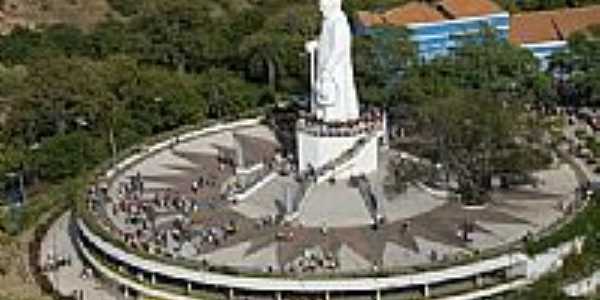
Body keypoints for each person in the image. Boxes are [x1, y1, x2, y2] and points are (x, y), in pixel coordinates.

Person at [306, 0, 359, 122]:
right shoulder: (328, 21)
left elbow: (339, 48)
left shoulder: (339, 22)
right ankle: (323, 115)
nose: (320, 9)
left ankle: (335, 119)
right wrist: (316, 44)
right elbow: (326, 42)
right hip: (325, 66)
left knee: (333, 96)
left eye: (323, 6)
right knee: (324, 95)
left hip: (335, 69)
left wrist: (328, 69)